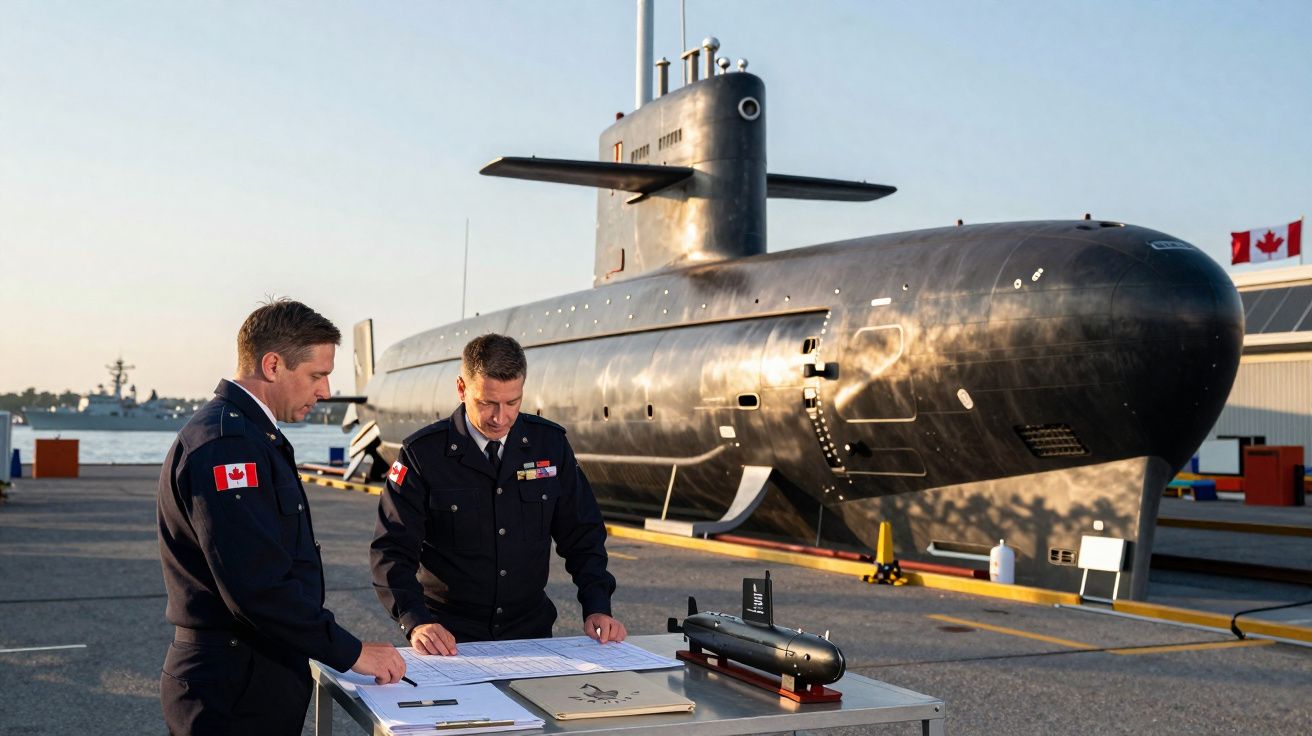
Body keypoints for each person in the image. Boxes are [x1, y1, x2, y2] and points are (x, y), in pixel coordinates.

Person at [157, 299, 405, 735]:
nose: (326, 391)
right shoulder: (228, 445)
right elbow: (256, 585)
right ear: (272, 365)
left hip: (252, 675)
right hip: (233, 688)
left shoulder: (248, 435)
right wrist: (352, 652)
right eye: (317, 375)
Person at [371, 333, 626, 655]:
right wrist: (415, 620)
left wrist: (597, 605)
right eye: (487, 403)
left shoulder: (550, 444)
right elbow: (391, 549)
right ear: (462, 389)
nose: (500, 417)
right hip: (447, 638)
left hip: (530, 634)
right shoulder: (423, 455)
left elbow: (582, 534)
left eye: (512, 402)